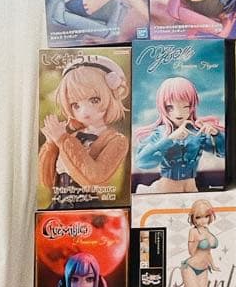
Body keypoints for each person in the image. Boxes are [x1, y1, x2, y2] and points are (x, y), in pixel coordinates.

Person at [39, 54, 129, 206]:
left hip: (88, 205)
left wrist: (63, 139)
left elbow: (94, 178)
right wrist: (51, 145)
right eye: (76, 105)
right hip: (59, 205)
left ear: (111, 96)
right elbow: (46, 180)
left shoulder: (116, 140)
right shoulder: (71, 135)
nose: (85, 112)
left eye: (94, 100)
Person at [134, 76, 224, 193]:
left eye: (185, 106)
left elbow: (223, 153)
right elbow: (142, 162)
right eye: (170, 107)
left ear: (192, 107)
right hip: (165, 192)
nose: (178, 113)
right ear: (163, 107)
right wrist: (169, 139)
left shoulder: (198, 133)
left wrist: (216, 135)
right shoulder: (160, 133)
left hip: (191, 190)